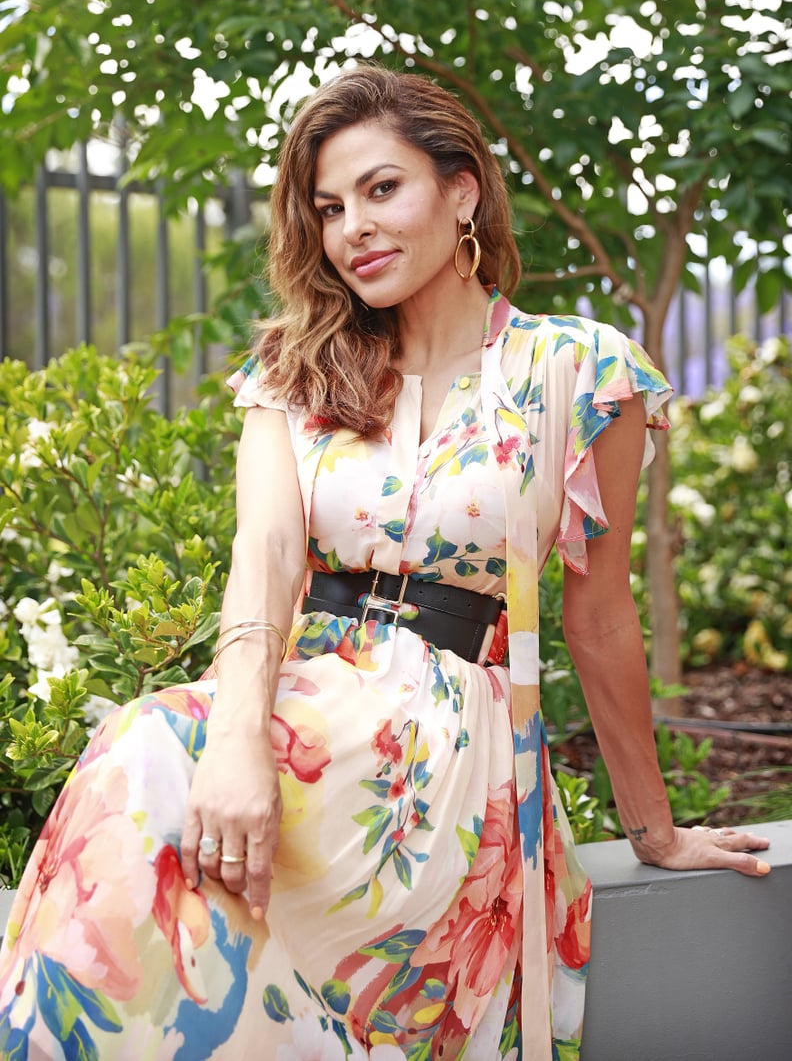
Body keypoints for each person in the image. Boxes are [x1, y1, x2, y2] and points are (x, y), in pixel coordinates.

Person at [0, 66, 771, 1061]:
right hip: (301, 712)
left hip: (448, 749)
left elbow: (600, 617)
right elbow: (266, 557)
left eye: (380, 189)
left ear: (461, 192)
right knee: (145, 763)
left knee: (145, 767)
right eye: (328, 206)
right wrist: (235, 742)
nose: (352, 226)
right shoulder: (294, 371)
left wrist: (655, 829)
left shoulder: (577, 371)